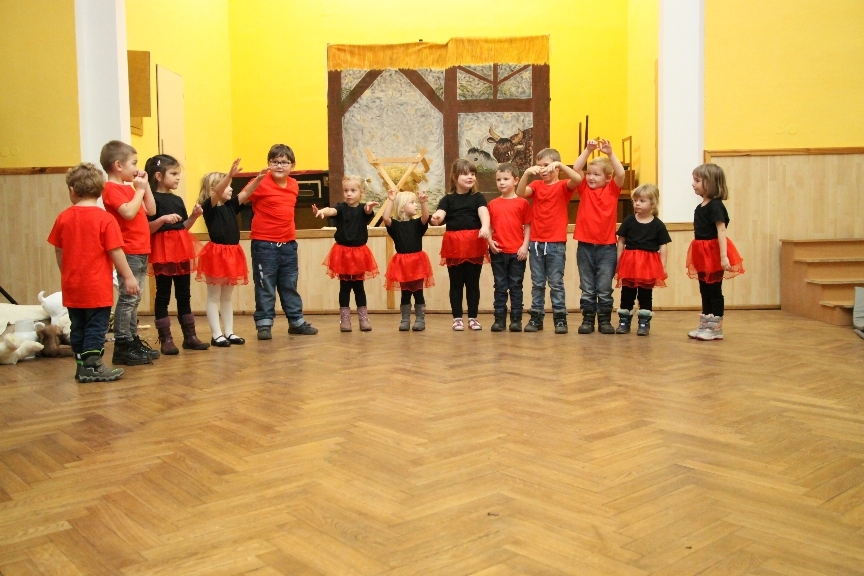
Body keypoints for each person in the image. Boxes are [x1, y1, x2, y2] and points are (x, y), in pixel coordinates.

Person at [48, 163, 139, 382]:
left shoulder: (63, 217)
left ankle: (81, 366)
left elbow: (59, 250)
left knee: (78, 326)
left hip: (72, 285)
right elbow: (115, 251)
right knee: (96, 327)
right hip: (97, 288)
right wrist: (128, 276)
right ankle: (93, 366)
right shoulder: (105, 219)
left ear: (72, 190)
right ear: (99, 191)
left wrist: (65, 273)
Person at [245, 144, 317, 340]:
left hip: (288, 244)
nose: (279, 165)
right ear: (268, 164)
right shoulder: (260, 182)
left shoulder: (294, 185)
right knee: (265, 285)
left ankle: (296, 321)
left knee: (289, 284)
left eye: (284, 162)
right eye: (275, 162)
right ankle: (264, 324)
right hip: (264, 244)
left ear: (292, 166)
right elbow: (241, 199)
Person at [100, 140, 157, 366]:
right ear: (118, 165)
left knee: (135, 298)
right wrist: (139, 190)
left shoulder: (129, 188)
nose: (136, 168)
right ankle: (123, 344)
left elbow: (150, 210)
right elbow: (128, 213)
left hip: (141, 249)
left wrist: (145, 186)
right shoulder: (110, 189)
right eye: (133, 163)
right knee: (128, 298)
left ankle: (133, 339)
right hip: (128, 250)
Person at [145, 154, 208, 354]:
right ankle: (166, 339)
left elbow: (183, 227)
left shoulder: (177, 199)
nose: (178, 177)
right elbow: (148, 229)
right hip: (162, 252)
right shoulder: (151, 200)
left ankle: (190, 337)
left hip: (181, 251)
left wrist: (194, 216)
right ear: (158, 176)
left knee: (184, 294)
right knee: (163, 294)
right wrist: (162, 219)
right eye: (173, 173)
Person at [516, 148, 581, 333]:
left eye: (547, 165)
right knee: (537, 283)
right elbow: (520, 193)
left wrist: (560, 164)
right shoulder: (537, 185)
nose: (542, 169)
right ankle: (536, 318)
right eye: (539, 166)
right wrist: (526, 174)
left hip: (556, 243)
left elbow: (577, 179)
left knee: (556, 283)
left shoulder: (563, 186)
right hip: (536, 243)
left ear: (556, 167)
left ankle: (560, 319)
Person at [195, 159, 253, 347]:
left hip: (232, 253)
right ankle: (216, 334)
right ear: (214, 189)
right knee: (214, 296)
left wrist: (261, 177)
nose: (231, 188)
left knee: (227, 297)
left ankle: (229, 331)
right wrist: (229, 175)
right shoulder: (209, 207)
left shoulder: (230, 205)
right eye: (227, 185)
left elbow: (247, 193)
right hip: (216, 254)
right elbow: (217, 193)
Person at [572, 139, 626, 335]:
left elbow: (621, 173)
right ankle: (587, 320)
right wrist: (588, 150)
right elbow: (576, 168)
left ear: (608, 178)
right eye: (589, 174)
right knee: (587, 287)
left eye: (596, 174)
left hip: (607, 248)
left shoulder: (612, 190)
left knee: (604, 288)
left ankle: (604, 321)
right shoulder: (584, 188)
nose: (590, 178)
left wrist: (610, 153)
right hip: (585, 246)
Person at [312, 175, 379, 332]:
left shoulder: (363, 209)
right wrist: (322, 211)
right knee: (345, 287)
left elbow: (368, 211)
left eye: (353, 190)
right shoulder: (341, 208)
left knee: (359, 287)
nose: (348, 193)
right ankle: (345, 319)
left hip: (359, 253)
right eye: (346, 190)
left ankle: (363, 319)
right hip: (343, 253)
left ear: (361, 192)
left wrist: (369, 207)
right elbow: (331, 210)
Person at [430, 159, 491, 331]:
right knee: (456, 283)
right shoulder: (448, 199)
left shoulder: (477, 197)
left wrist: (485, 227)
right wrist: (436, 218)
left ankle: (473, 317)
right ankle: (457, 318)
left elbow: (483, 212)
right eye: (465, 174)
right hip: (454, 244)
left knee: (473, 283)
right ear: (455, 177)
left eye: (472, 174)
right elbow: (440, 213)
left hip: (473, 243)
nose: (470, 177)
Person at [686, 163, 745, 340]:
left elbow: (721, 230)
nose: (693, 184)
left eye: (697, 180)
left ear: (710, 182)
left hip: (712, 252)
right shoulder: (700, 207)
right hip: (701, 251)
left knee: (714, 290)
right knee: (704, 288)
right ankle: (706, 322)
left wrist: (723, 256)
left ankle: (716, 327)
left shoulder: (716, 206)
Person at [614, 184, 671, 336]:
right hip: (630, 263)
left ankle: (644, 322)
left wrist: (663, 266)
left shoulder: (658, 225)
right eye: (635, 200)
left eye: (642, 200)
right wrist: (619, 262)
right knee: (627, 293)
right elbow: (621, 241)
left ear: (653, 203)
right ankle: (624, 321)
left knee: (645, 294)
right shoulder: (629, 221)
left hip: (648, 264)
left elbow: (663, 246)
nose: (637, 203)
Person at [487, 162, 532, 332]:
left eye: (506, 179)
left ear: (515, 180)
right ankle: (499, 319)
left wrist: (525, 246)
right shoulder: (492, 204)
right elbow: (488, 226)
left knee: (516, 286)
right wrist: (490, 242)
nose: (502, 182)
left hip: (517, 252)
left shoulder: (522, 203)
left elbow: (528, 226)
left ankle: (516, 320)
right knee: (499, 286)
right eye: (498, 179)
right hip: (498, 252)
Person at [382, 188, 434, 331]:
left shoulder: (417, 224)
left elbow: (425, 218)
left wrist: (423, 203)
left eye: (415, 202)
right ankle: (405, 319)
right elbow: (385, 218)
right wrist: (391, 200)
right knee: (405, 293)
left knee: (418, 292)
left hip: (417, 263)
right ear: (402, 207)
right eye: (412, 202)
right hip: (402, 264)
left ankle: (420, 319)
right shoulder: (395, 226)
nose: (415, 205)